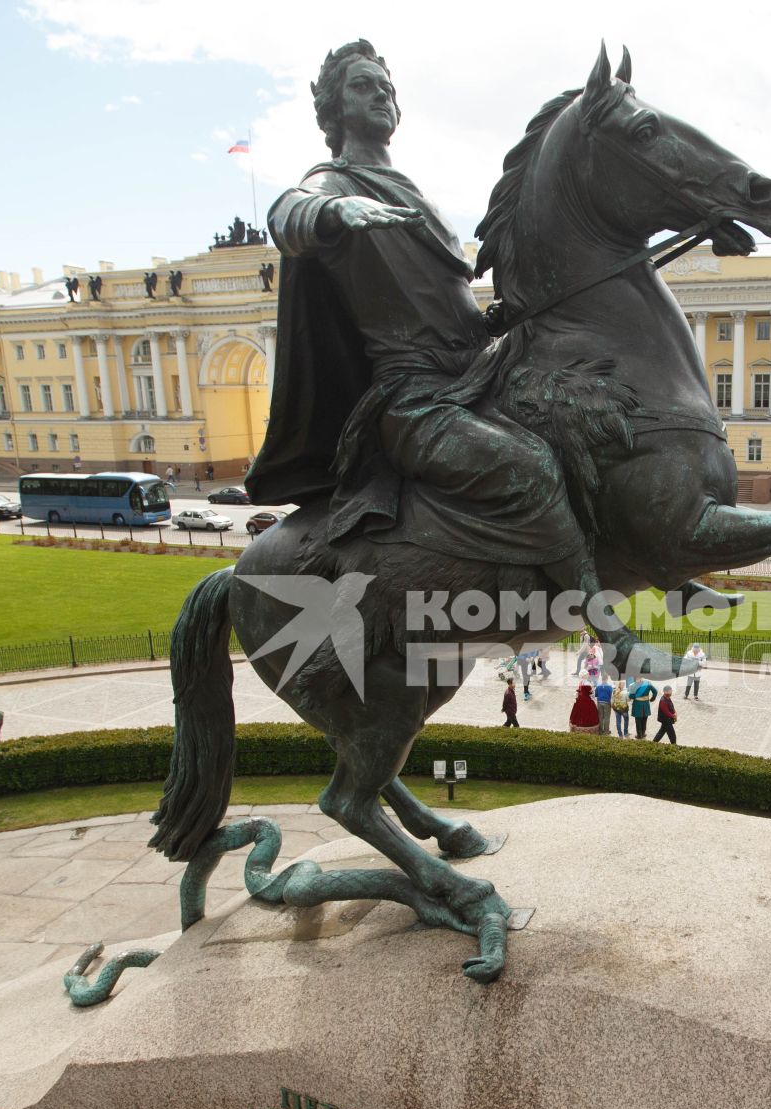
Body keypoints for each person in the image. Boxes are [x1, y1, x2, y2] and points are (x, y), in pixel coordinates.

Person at [242, 39, 669, 677]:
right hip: (413, 402)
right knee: (531, 468)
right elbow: (287, 213)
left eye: (384, 85)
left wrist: (495, 317)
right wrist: (334, 210)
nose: (380, 94)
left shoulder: (413, 191)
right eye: (361, 86)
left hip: (472, 377)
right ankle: (614, 639)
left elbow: (444, 303)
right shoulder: (333, 183)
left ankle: (667, 567)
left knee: (589, 424)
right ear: (333, 112)